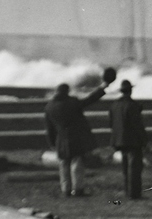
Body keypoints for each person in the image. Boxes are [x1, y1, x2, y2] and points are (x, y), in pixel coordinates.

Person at [44, 67, 115, 197]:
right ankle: (78, 189)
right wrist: (103, 87)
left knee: (63, 165)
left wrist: (51, 143)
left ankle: (65, 189)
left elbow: (49, 128)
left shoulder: (49, 107)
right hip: (75, 137)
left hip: (60, 139)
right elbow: (90, 100)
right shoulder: (72, 102)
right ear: (67, 92)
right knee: (77, 163)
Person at [109, 79, 148, 200]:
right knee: (135, 167)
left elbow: (111, 123)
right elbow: (138, 125)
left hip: (119, 140)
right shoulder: (133, 105)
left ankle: (127, 191)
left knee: (125, 167)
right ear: (130, 91)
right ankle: (134, 193)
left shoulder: (114, 105)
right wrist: (144, 139)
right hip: (133, 140)